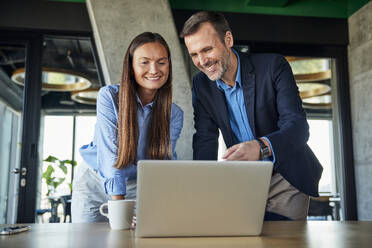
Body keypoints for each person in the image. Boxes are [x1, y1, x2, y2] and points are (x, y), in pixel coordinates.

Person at [180, 11, 323, 220]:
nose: (202, 61)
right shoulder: (201, 85)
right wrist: (202, 186)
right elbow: (205, 139)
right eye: (194, 54)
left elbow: (298, 127)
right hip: (243, 180)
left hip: (286, 177)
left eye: (207, 49)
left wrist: (260, 147)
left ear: (228, 40)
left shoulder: (273, 66)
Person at [71, 32, 184, 223]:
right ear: (131, 67)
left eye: (162, 62)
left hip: (136, 186)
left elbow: (162, 163)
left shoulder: (174, 114)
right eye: (144, 62)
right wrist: (119, 206)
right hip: (93, 183)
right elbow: (110, 154)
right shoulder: (109, 97)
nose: (154, 69)